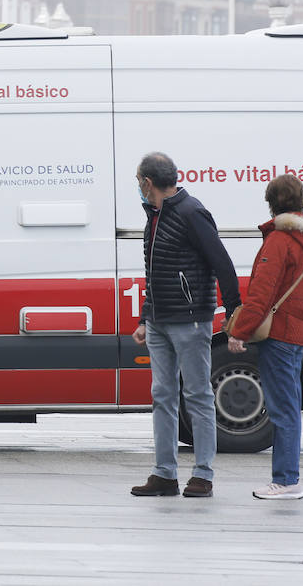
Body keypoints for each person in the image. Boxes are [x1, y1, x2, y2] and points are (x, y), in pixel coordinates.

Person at [130, 151, 241, 499]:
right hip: (160, 322)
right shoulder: (155, 216)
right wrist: (146, 316)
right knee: (162, 395)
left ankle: (203, 475)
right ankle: (164, 474)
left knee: (197, 395)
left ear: (148, 183)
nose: (139, 188)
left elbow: (222, 263)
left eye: (138, 182)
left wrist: (236, 312)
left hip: (191, 320)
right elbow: (155, 272)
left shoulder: (192, 212)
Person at [227, 173, 303, 500]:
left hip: (279, 335)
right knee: (290, 407)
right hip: (296, 332)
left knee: (283, 409)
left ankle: (286, 480)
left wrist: (239, 332)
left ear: (272, 203)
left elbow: (261, 294)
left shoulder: (279, 241)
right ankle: (287, 478)